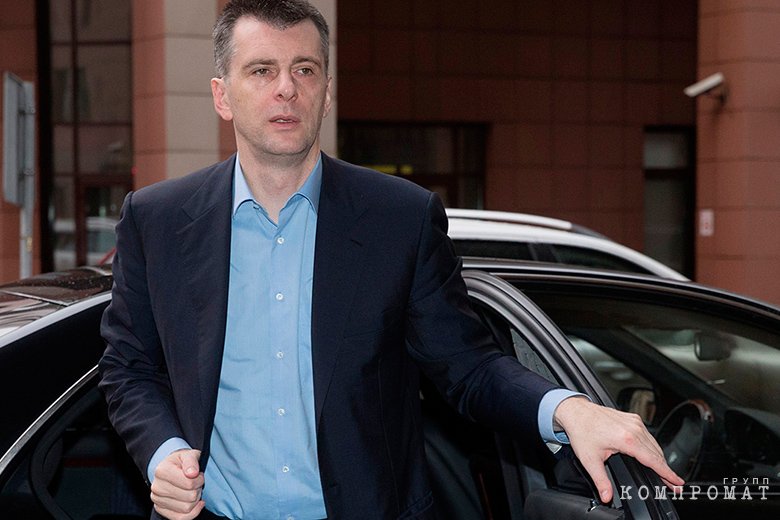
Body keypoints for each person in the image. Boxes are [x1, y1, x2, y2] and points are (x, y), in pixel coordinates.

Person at [99, 1, 683, 519]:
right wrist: (162, 453)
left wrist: (569, 411)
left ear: (327, 91)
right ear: (222, 95)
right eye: (261, 70)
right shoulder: (158, 220)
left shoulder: (399, 218)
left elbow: (468, 365)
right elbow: (129, 367)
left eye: (305, 69)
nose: (286, 89)